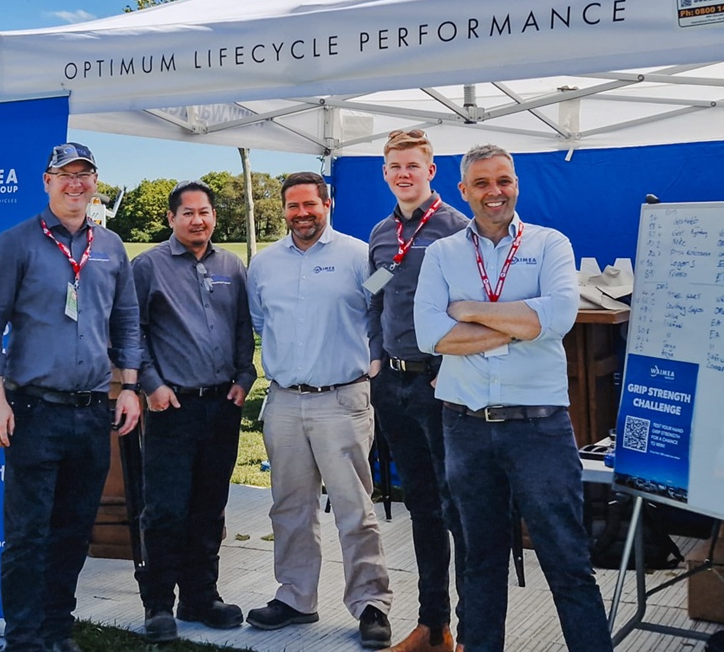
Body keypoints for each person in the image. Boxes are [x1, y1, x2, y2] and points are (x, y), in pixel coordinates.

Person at [414, 144, 612, 652]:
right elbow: (430, 336)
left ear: (516, 184)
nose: (494, 192)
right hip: (466, 427)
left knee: (567, 559)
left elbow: (559, 319)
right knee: (478, 563)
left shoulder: (551, 245)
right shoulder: (441, 254)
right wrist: (523, 325)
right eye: (481, 183)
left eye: (503, 180)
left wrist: (471, 310)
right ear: (463, 191)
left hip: (538, 429)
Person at [0, 141, 144, 652]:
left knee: (72, 533)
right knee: (28, 536)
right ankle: (23, 638)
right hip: (33, 411)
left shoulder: (111, 246)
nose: (76, 184)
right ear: (47, 182)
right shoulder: (16, 242)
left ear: (95, 183)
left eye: (84, 175)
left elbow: (127, 320)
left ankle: (56, 630)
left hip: (92, 413)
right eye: (65, 175)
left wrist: (130, 387)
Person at [246, 171, 393, 649]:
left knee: (354, 509)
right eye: (293, 206)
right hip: (285, 400)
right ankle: (295, 598)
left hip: (342, 399)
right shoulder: (264, 265)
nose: (302, 213)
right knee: (289, 508)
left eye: (311, 204)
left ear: (327, 204)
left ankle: (371, 603)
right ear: (283, 209)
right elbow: (259, 322)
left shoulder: (358, 255)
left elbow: (382, 309)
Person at [129, 180, 257, 642]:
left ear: (213, 217)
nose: (197, 220)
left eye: (204, 212)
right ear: (171, 219)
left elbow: (243, 326)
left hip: (223, 404)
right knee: (165, 509)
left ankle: (202, 596)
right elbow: (130, 331)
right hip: (171, 407)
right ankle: (158, 603)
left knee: (209, 507)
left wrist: (245, 377)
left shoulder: (231, 266)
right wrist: (151, 384)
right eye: (188, 213)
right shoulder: (147, 267)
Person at [363, 130, 469, 652]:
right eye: (393, 167)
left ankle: (475, 630)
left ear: (432, 170)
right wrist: (375, 359)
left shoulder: (457, 229)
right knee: (421, 508)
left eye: (412, 165)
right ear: (385, 174)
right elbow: (372, 299)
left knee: (459, 509)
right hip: (393, 384)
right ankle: (434, 627)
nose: (403, 174)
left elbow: (470, 304)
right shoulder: (382, 233)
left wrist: (447, 367)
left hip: (439, 384)